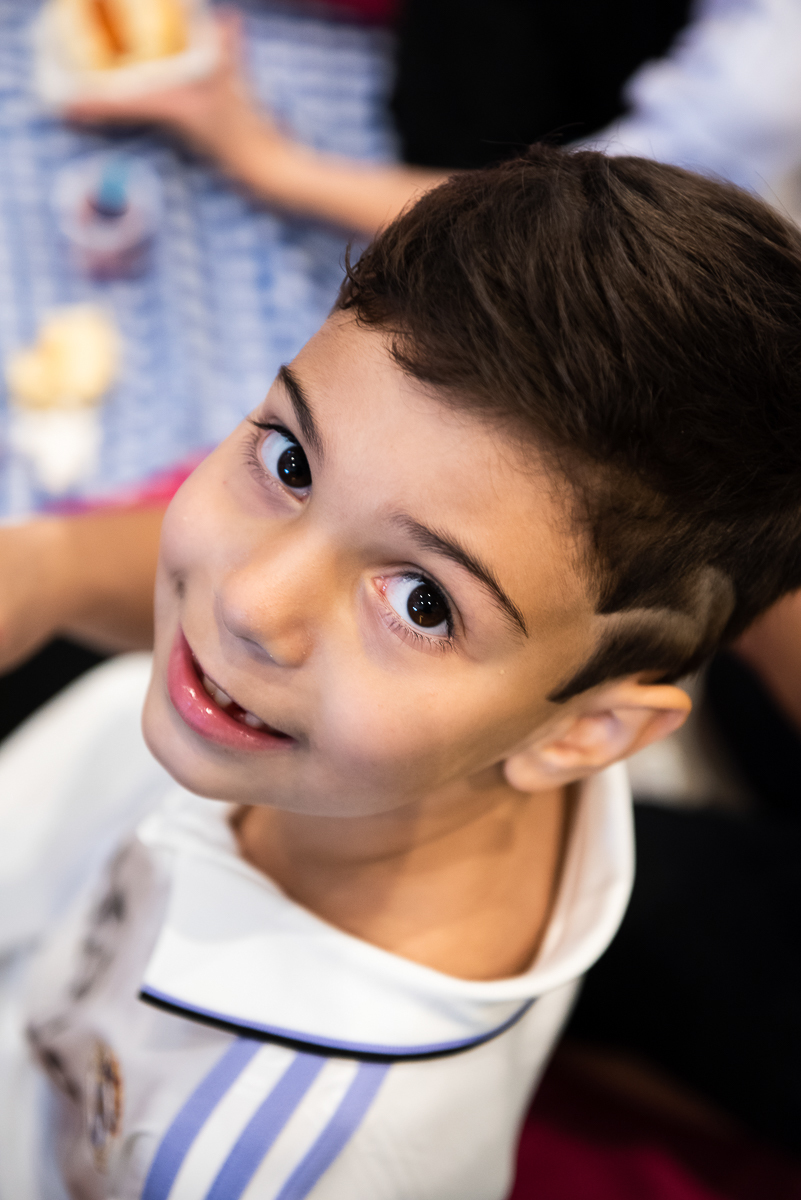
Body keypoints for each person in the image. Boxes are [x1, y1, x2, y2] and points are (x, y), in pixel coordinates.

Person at [2, 144, 801, 1198]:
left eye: (423, 602)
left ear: (587, 734)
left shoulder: (274, 1156)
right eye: (291, 460)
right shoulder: (497, 716)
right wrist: (48, 568)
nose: (249, 601)